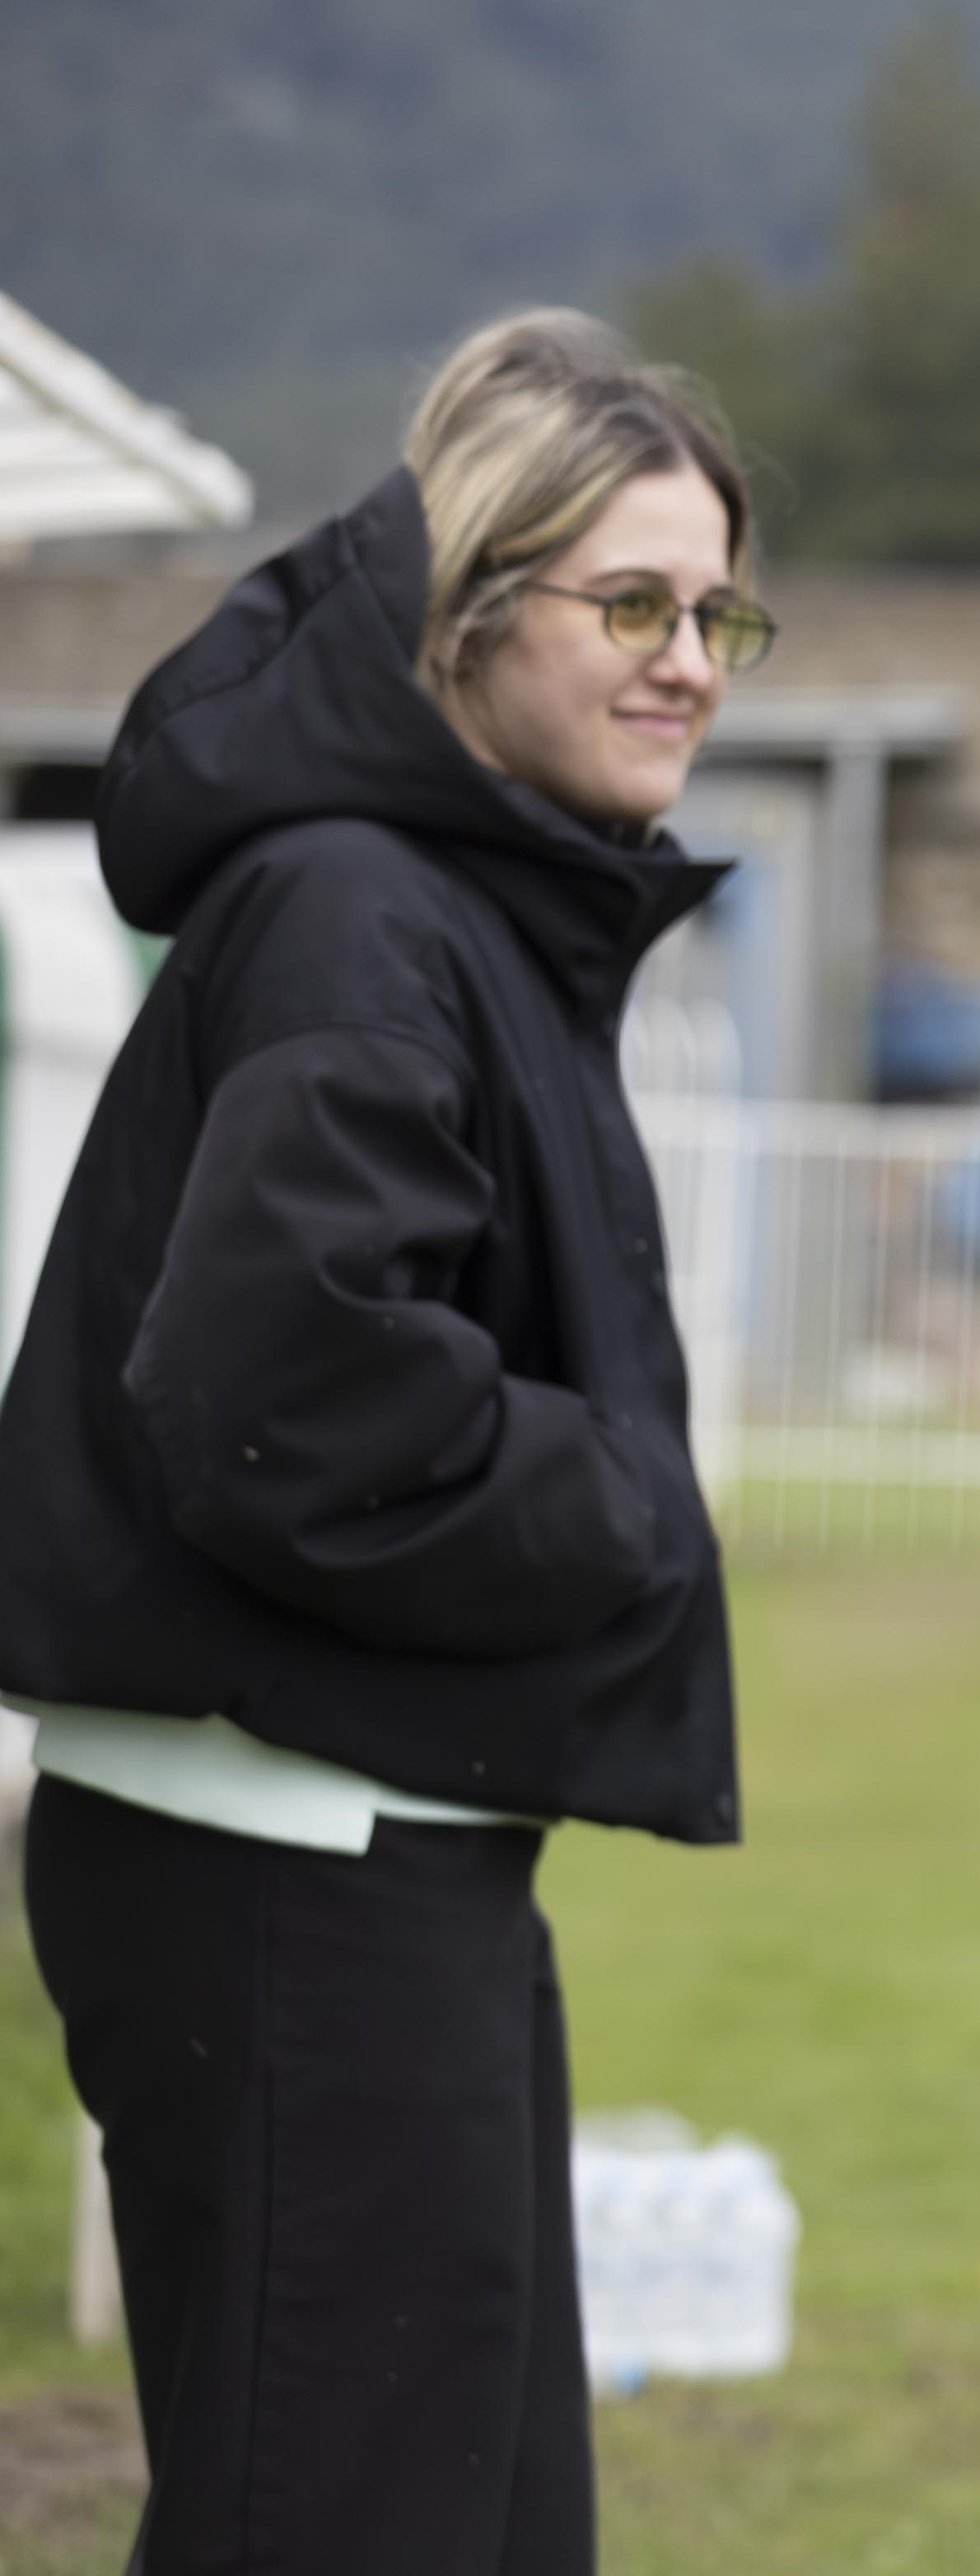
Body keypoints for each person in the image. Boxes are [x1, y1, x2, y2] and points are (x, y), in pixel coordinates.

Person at [0, 312, 764, 2576]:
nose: (690, 661)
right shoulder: (361, 908)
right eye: (632, 603)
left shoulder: (447, 897)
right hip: (283, 1860)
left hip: (365, 1840)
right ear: (468, 612)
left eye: (718, 613)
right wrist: (621, 1495)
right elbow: (276, 1385)